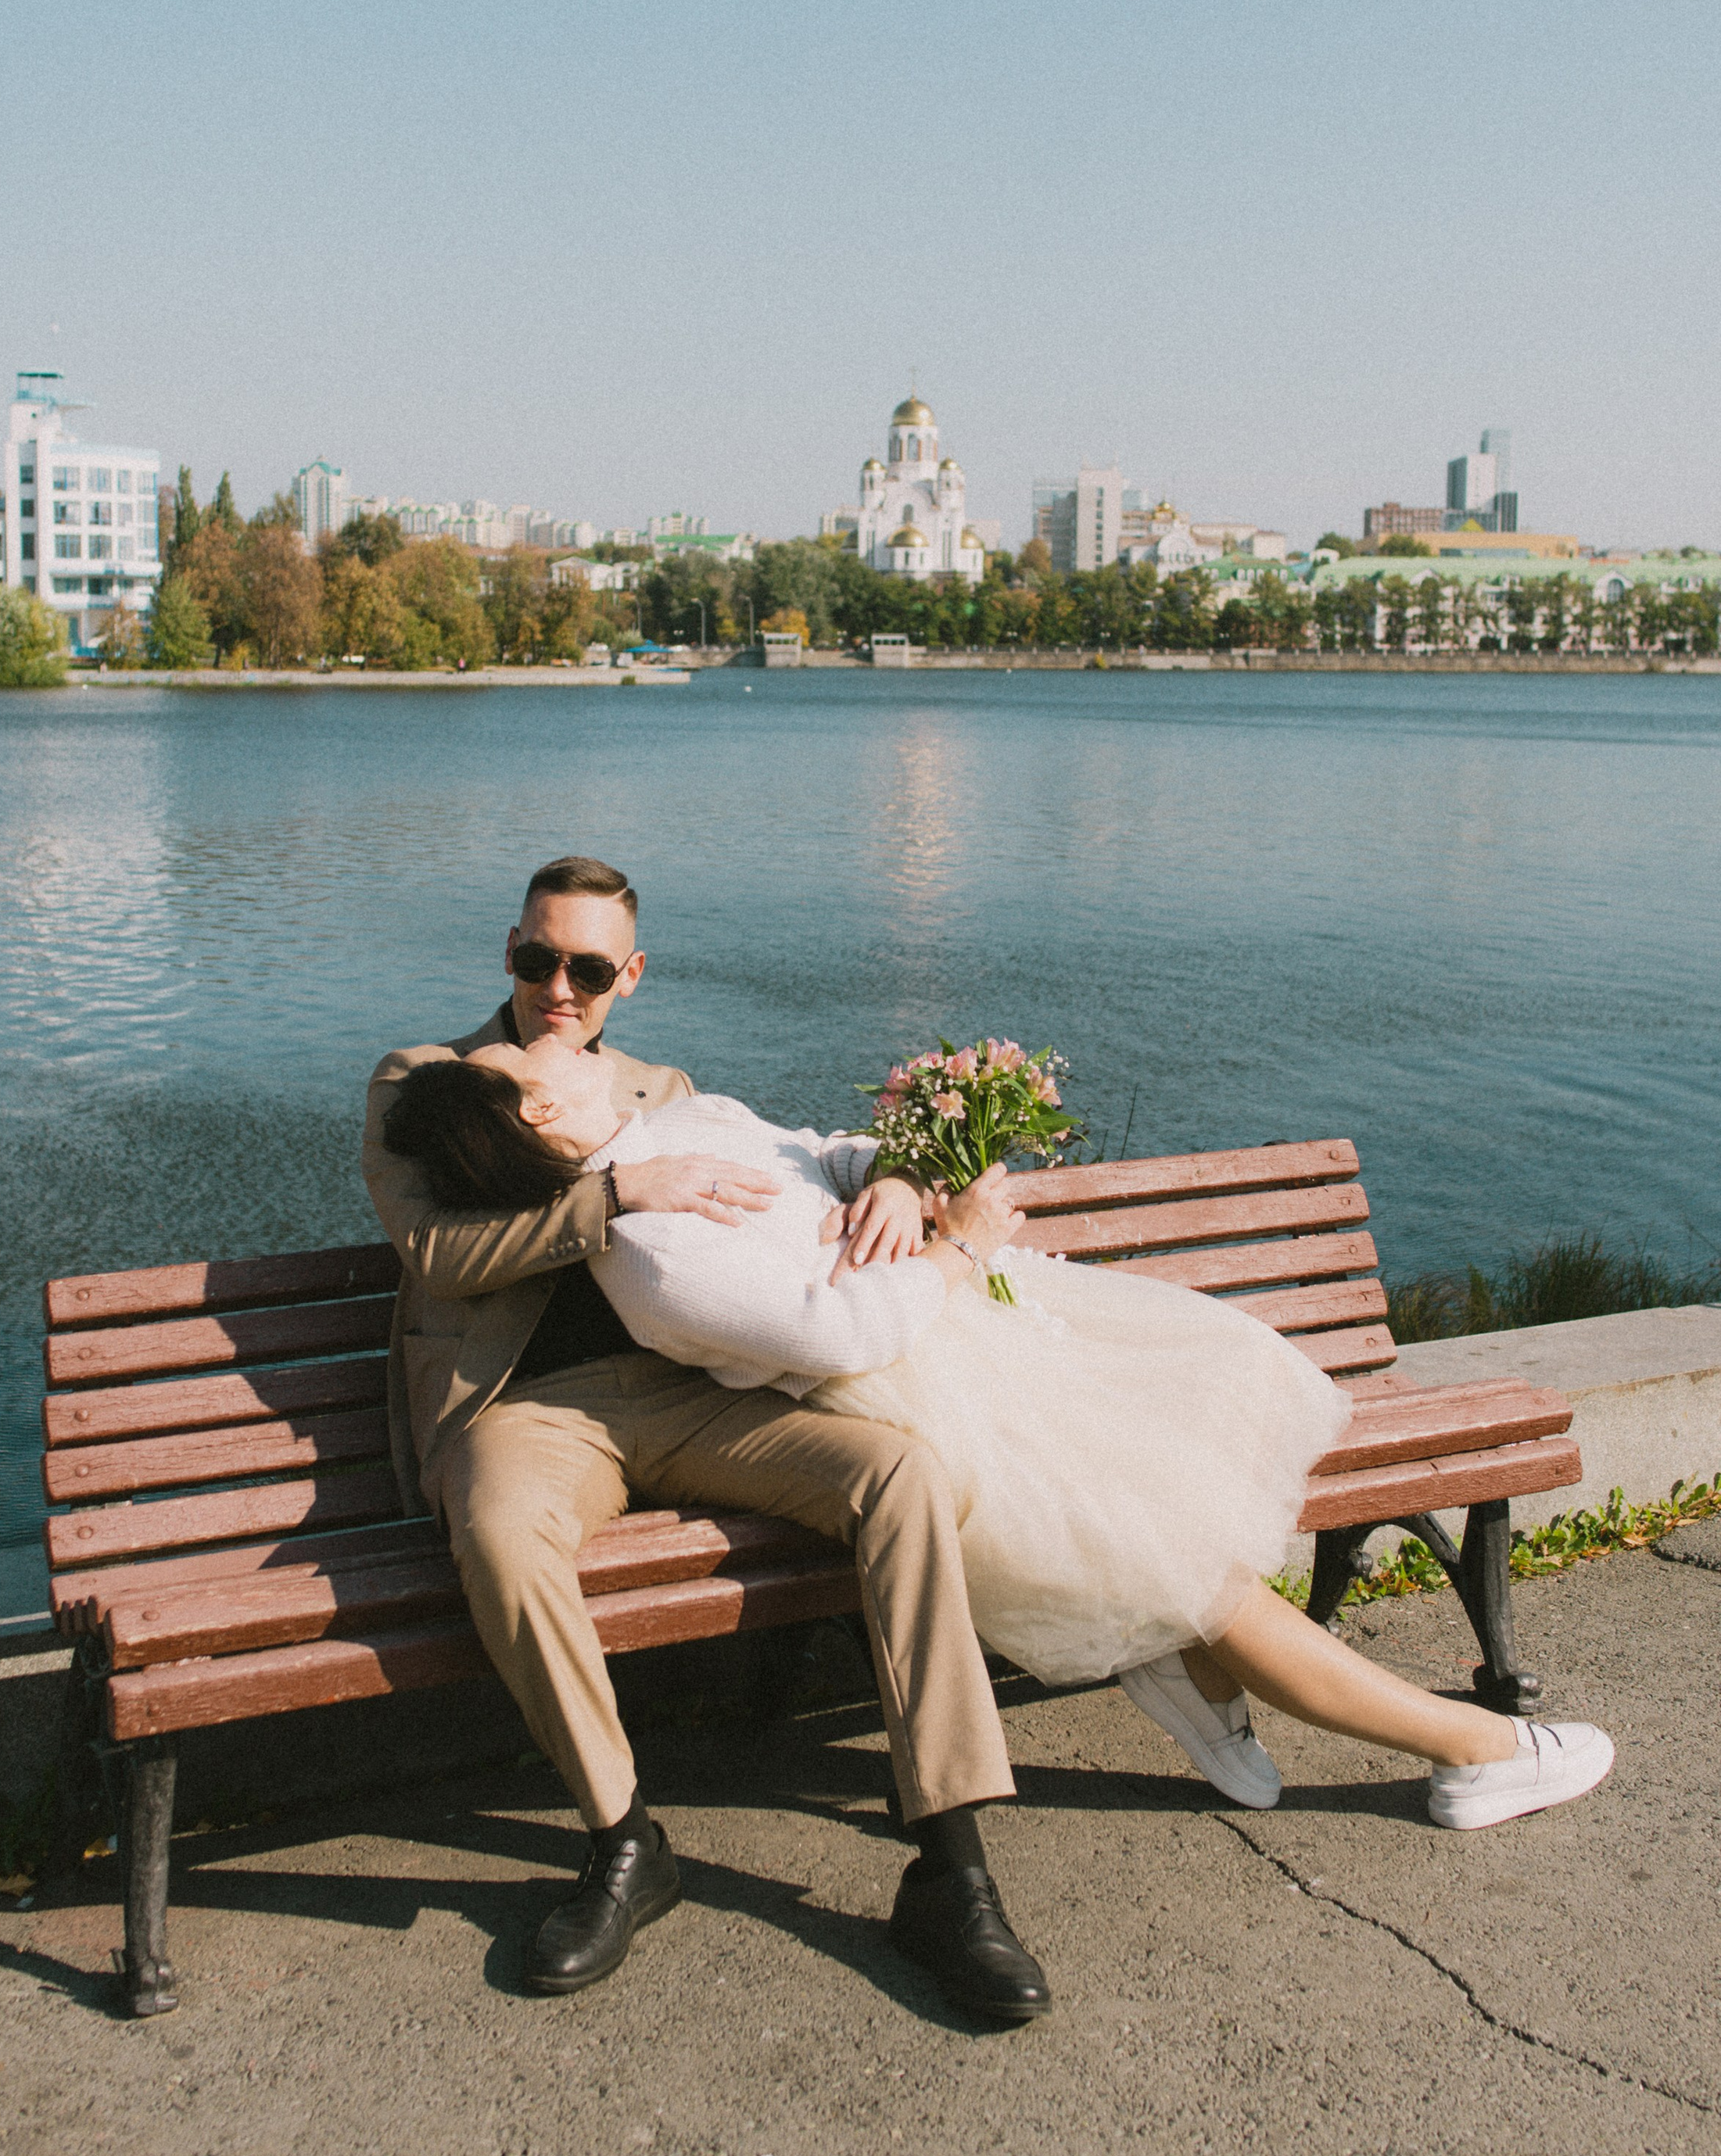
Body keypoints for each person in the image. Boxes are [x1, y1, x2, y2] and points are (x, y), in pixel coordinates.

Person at [383, 1036, 1616, 1839]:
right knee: (1208, 1574)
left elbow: (815, 1151)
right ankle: (1474, 1749)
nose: (554, 1026)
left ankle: (1174, 1660)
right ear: (540, 1107)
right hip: (930, 1390)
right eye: (526, 1046)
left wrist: (892, 1179)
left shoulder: (675, 1122)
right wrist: (963, 1243)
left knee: (1187, 1506)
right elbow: (841, 1339)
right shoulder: (647, 1256)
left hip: (987, 1344)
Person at [361, 856, 1052, 2021]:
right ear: (511, 952)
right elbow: (437, 1254)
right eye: (539, 959)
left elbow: (785, 1171)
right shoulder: (430, 1082)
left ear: (628, 976)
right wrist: (624, 1197)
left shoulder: (657, 1088)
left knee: (899, 1475)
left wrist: (891, 1175)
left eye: (587, 968)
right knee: (496, 1528)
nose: (559, 988)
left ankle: (953, 1866)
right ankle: (625, 1841)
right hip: (525, 1411)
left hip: (689, 1394)